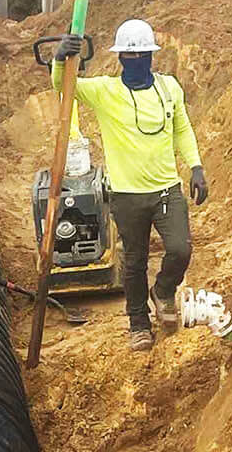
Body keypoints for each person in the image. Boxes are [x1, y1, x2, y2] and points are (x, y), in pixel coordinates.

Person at [54, 18, 208, 352]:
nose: (137, 62)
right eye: (130, 56)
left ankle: (164, 291)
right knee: (134, 262)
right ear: (120, 57)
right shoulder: (105, 91)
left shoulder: (169, 88)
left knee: (180, 250)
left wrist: (195, 166)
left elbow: (182, 128)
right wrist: (59, 60)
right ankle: (138, 324)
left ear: (152, 56)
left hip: (167, 188)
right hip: (126, 195)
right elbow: (65, 87)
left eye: (143, 56)